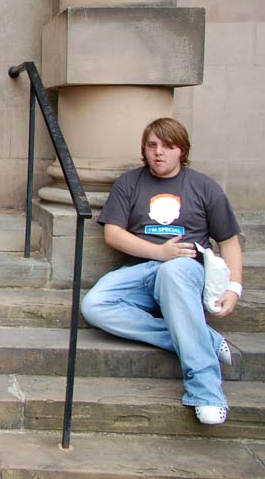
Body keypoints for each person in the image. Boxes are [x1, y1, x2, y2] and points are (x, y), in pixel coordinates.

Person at [80, 118, 243, 426]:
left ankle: (206, 391)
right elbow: (113, 234)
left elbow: (229, 241)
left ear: (181, 150)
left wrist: (234, 288)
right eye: (152, 145)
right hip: (142, 268)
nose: (159, 153)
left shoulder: (204, 186)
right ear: (144, 149)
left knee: (173, 271)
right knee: (94, 305)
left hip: (186, 268)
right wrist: (158, 252)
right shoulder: (130, 182)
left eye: (168, 146)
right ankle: (201, 337)